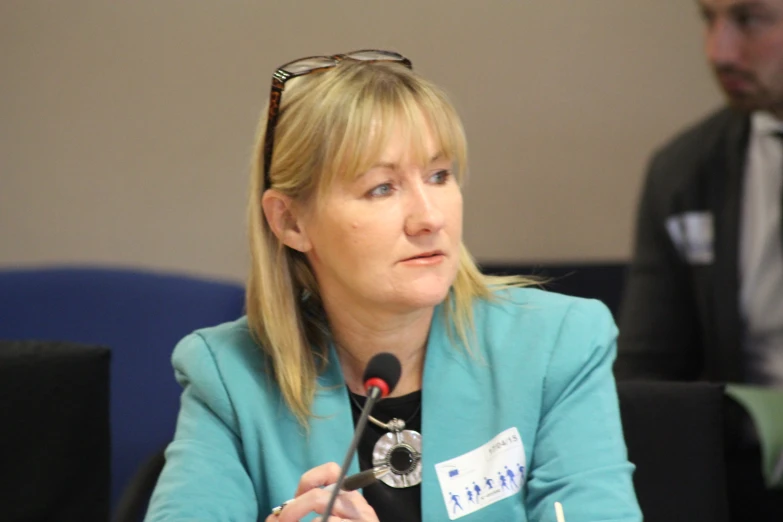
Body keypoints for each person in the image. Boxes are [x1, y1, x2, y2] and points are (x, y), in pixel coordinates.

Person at [145, 49, 641, 521]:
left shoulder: (557, 345)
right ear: (290, 221)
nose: (429, 218)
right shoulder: (229, 378)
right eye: (381, 188)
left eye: (440, 175)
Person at [617, 0, 783, 385]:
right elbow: (647, 371)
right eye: (709, 19)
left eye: (749, 21)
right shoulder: (685, 172)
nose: (717, 52)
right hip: (750, 438)